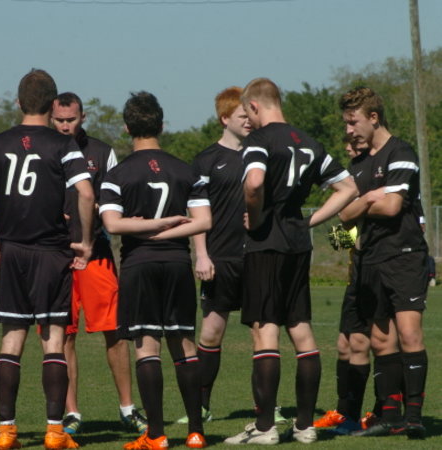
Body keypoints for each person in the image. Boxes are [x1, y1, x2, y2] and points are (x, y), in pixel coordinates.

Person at [0, 69, 95, 450]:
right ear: (53, 105)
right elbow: (86, 194)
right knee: (53, 341)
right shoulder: (63, 144)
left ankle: (6, 432)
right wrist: (85, 242)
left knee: (12, 338)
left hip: (13, 252)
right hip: (52, 252)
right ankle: (55, 432)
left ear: (18, 102)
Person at [224, 78, 357, 445]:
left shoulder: (259, 140)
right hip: (298, 244)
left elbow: (254, 184)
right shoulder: (310, 143)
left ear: (254, 106)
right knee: (300, 327)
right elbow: (348, 188)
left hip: (266, 244)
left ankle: (265, 427)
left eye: (248, 112)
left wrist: (256, 219)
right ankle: (304, 426)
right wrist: (309, 222)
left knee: (265, 329)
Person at [99, 91, 212, 450]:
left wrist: (149, 227)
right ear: (162, 125)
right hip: (177, 263)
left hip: (139, 264)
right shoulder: (186, 170)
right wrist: (167, 225)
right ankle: (196, 432)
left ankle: (156, 435)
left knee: (147, 347)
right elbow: (203, 221)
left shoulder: (117, 174)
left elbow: (113, 225)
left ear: (126, 127)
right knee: (184, 345)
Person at [50, 92, 147, 435]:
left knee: (115, 332)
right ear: (51, 118)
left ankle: (127, 408)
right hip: (56, 256)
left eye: (71, 119)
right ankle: (71, 413)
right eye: (60, 120)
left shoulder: (102, 152)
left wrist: (93, 212)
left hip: (97, 255)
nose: (65, 126)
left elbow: (112, 199)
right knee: (63, 336)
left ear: (83, 117)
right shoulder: (44, 151)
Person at [338, 87, 429, 439]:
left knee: (409, 333)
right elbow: (344, 217)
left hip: (403, 256)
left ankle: (414, 416)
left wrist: (367, 202)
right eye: (346, 124)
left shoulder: (401, 152)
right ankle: (388, 416)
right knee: (378, 340)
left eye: (353, 122)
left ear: (373, 118)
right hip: (369, 261)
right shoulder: (358, 165)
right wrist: (368, 199)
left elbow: (391, 207)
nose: (349, 131)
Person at [178, 86, 250, 424]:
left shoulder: (261, 155)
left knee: (263, 334)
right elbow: (197, 213)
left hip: (256, 257)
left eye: (251, 115)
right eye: (242, 116)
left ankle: (268, 408)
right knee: (209, 334)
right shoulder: (206, 160)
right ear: (225, 118)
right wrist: (202, 255)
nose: (249, 120)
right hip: (220, 258)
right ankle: (202, 407)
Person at [314, 137, 373, 434]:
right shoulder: (351, 182)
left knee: (367, 344)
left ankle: (371, 412)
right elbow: (340, 243)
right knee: (342, 344)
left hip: (375, 274)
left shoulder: (374, 179)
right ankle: (342, 411)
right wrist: (344, 215)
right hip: (354, 277)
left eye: (352, 144)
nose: (347, 148)